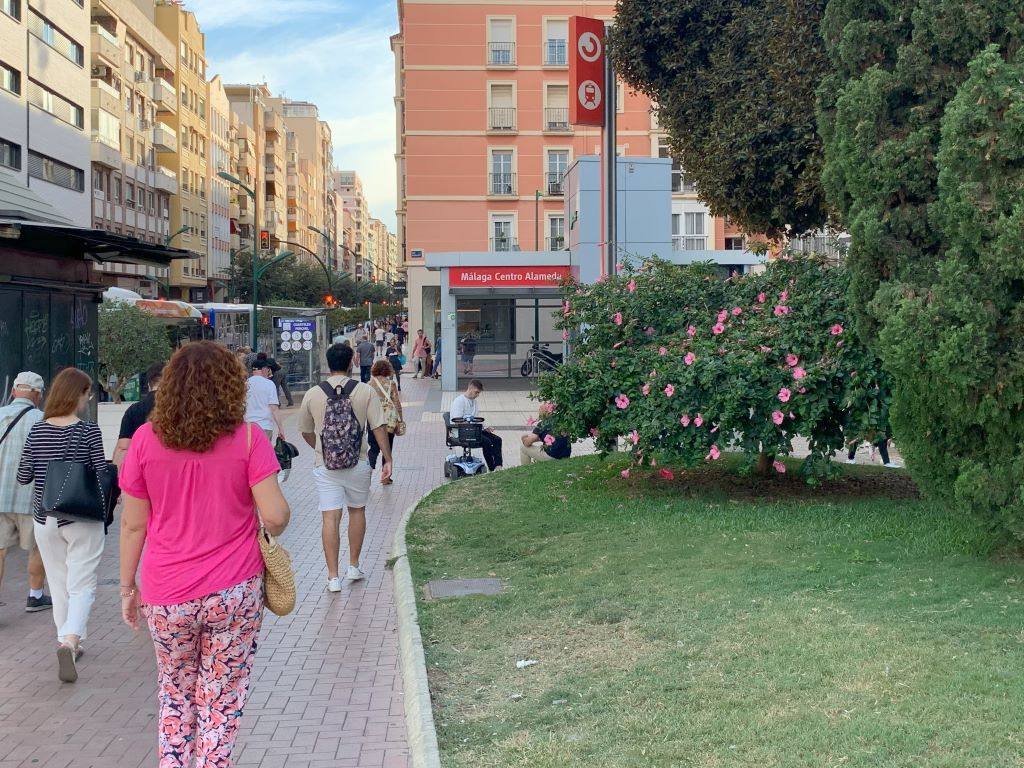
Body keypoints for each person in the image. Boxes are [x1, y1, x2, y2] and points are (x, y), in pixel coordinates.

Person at [118, 341, 291, 768]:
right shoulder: (248, 439)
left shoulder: (143, 440)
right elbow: (275, 515)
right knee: (221, 698)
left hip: (166, 592)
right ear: (231, 387)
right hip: (233, 591)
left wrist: (126, 587)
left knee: (175, 693)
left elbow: (133, 524)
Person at [16, 367, 106, 682]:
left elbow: (23, 476)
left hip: (46, 518)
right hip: (81, 516)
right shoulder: (89, 431)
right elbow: (97, 474)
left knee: (58, 581)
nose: (88, 399)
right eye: (87, 393)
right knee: (83, 583)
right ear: (77, 395)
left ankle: (64, 638)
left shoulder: (37, 431)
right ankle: (71, 640)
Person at [297, 343, 392, 591]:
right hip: (358, 461)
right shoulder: (364, 391)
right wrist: (387, 458)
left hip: (325, 465)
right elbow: (378, 427)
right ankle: (353, 566)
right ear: (351, 362)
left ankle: (332, 577)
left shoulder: (313, 393)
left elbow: (306, 431)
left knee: (330, 517)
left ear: (328, 363)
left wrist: (321, 448)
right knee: (357, 512)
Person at [0, 372, 51, 613]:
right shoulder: (43, 420)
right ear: (38, 395)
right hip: (30, 496)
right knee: (37, 546)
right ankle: (35, 595)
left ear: (13, 391)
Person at [113, 361, 165, 468]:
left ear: (149, 384)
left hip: (141, 469)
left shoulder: (134, 410)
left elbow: (123, 448)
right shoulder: (178, 409)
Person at [450, 379, 503, 471]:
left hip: (474, 430)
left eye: (478, 393)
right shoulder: (459, 401)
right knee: (487, 442)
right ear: (470, 388)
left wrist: (485, 427)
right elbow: (456, 421)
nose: (477, 395)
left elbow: (476, 418)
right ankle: (492, 467)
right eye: (476, 392)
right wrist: (471, 424)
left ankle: (498, 465)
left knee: (497, 440)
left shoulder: (474, 402)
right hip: (462, 432)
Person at [367, 360, 402, 486]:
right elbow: (397, 404)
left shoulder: (369, 384)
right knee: (387, 448)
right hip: (388, 422)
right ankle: (386, 476)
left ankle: (368, 474)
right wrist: (400, 421)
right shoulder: (391, 384)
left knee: (373, 449)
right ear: (388, 369)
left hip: (373, 421)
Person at [245, 360, 285, 442]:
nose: (269, 372)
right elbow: (274, 408)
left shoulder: (244, 384)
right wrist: (280, 428)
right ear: (264, 369)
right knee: (263, 454)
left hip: (247, 427)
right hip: (264, 426)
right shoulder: (269, 384)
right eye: (268, 369)